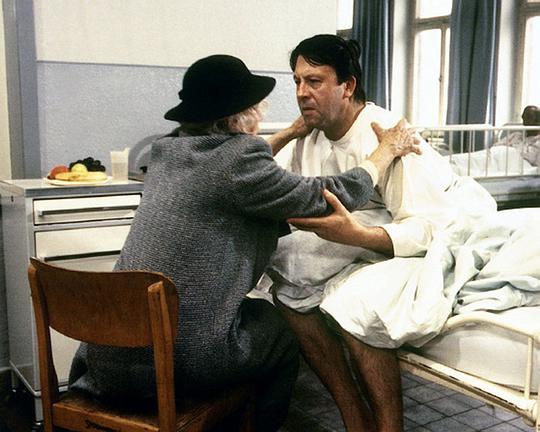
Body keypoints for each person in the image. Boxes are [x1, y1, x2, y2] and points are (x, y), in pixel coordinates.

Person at [68, 54, 419, 432]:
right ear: (243, 115)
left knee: (254, 316)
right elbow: (333, 194)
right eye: (258, 104)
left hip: (107, 358)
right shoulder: (239, 162)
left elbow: (227, 166)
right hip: (168, 365)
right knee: (279, 334)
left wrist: (289, 133)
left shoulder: (167, 151)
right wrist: (385, 151)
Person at [263, 34, 497, 431]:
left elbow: (429, 225)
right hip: (371, 224)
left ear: (347, 86)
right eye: (297, 81)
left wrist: (356, 237)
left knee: (359, 305)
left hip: (441, 219)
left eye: (314, 81)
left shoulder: (387, 135)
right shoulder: (311, 133)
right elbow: (270, 182)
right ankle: (353, 415)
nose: (301, 93)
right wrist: (289, 132)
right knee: (286, 281)